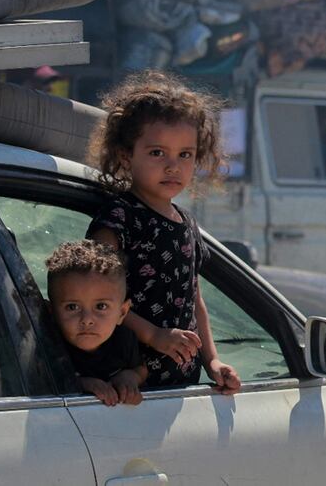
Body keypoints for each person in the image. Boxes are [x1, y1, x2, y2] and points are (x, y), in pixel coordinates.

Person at [86, 70, 241, 394]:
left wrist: (212, 361)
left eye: (184, 154)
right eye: (157, 152)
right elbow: (97, 301)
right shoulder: (118, 218)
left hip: (183, 386)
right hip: (127, 384)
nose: (173, 166)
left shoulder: (187, 222)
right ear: (126, 155)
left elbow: (195, 301)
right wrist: (153, 335)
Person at [46, 239, 147, 406]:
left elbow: (141, 369)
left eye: (101, 306)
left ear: (122, 312)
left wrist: (129, 377)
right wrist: (81, 384)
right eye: (72, 307)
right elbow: (42, 383)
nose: (87, 320)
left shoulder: (124, 339)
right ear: (51, 312)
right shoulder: (48, 347)